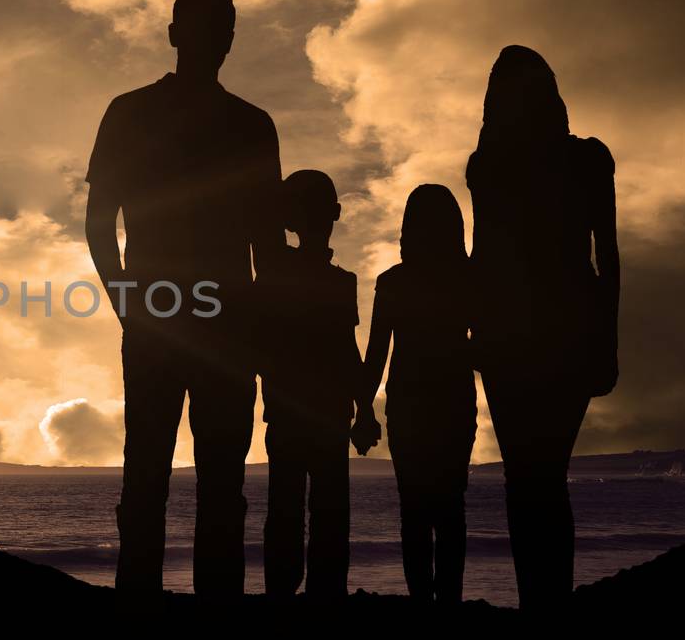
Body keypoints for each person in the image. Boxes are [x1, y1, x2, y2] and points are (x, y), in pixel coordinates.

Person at [84, 0, 284, 606]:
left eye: (221, 27)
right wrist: (124, 299)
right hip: (163, 312)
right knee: (152, 469)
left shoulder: (252, 124)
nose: (210, 38)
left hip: (214, 319)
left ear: (229, 39)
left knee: (213, 480)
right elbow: (98, 218)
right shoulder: (131, 110)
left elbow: (266, 241)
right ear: (174, 35)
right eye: (201, 26)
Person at [465, 45, 620, 610]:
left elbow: (607, 255)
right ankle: (544, 599)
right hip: (532, 334)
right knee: (538, 478)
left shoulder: (564, 162)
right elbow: (607, 259)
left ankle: (543, 599)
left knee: (532, 479)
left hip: (538, 335)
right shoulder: (500, 165)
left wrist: (607, 341)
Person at [355, 184, 477, 604]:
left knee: (416, 510)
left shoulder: (394, 281)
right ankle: (448, 601)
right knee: (449, 508)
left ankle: (425, 601)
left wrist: (362, 409)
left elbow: (375, 356)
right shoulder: (466, 278)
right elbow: (485, 345)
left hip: (411, 402)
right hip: (450, 399)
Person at [256, 169, 371, 600]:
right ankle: (303, 593)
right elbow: (347, 349)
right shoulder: (282, 273)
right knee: (309, 509)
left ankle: (311, 593)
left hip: (313, 410)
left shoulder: (332, 280)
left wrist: (366, 408)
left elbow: (347, 348)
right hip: (306, 409)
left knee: (309, 509)